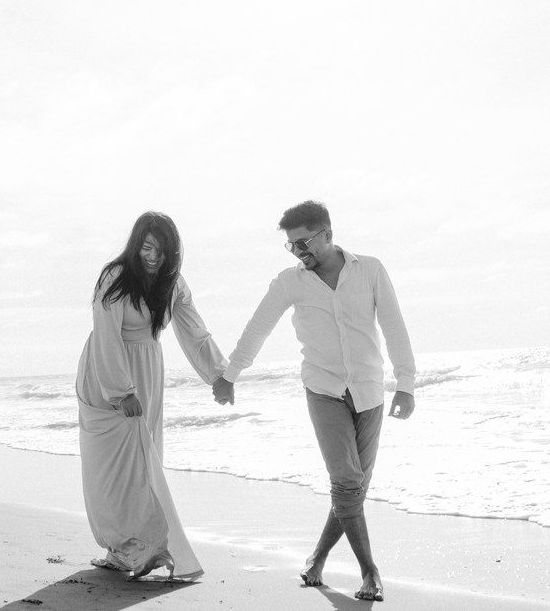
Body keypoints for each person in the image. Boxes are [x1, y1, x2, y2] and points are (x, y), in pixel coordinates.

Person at [212, 200, 415, 602]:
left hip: (370, 393)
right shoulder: (290, 282)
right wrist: (230, 375)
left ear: (327, 234)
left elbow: (394, 325)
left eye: (303, 242)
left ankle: (317, 559)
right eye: (291, 245)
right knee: (347, 482)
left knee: (352, 491)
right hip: (323, 392)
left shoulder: (370, 270)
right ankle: (370, 572)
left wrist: (405, 383)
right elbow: (258, 329)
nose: (298, 251)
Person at [76, 211, 233, 580]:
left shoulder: (173, 284)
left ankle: (143, 547)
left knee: (144, 465)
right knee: (109, 471)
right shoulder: (114, 277)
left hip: (146, 372)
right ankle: (121, 548)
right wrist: (121, 391)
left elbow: (195, 331)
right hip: (105, 373)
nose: (152, 257)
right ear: (136, 245)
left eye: (161, 252)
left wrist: (219, 374)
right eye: (147, 248)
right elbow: (106, 334)